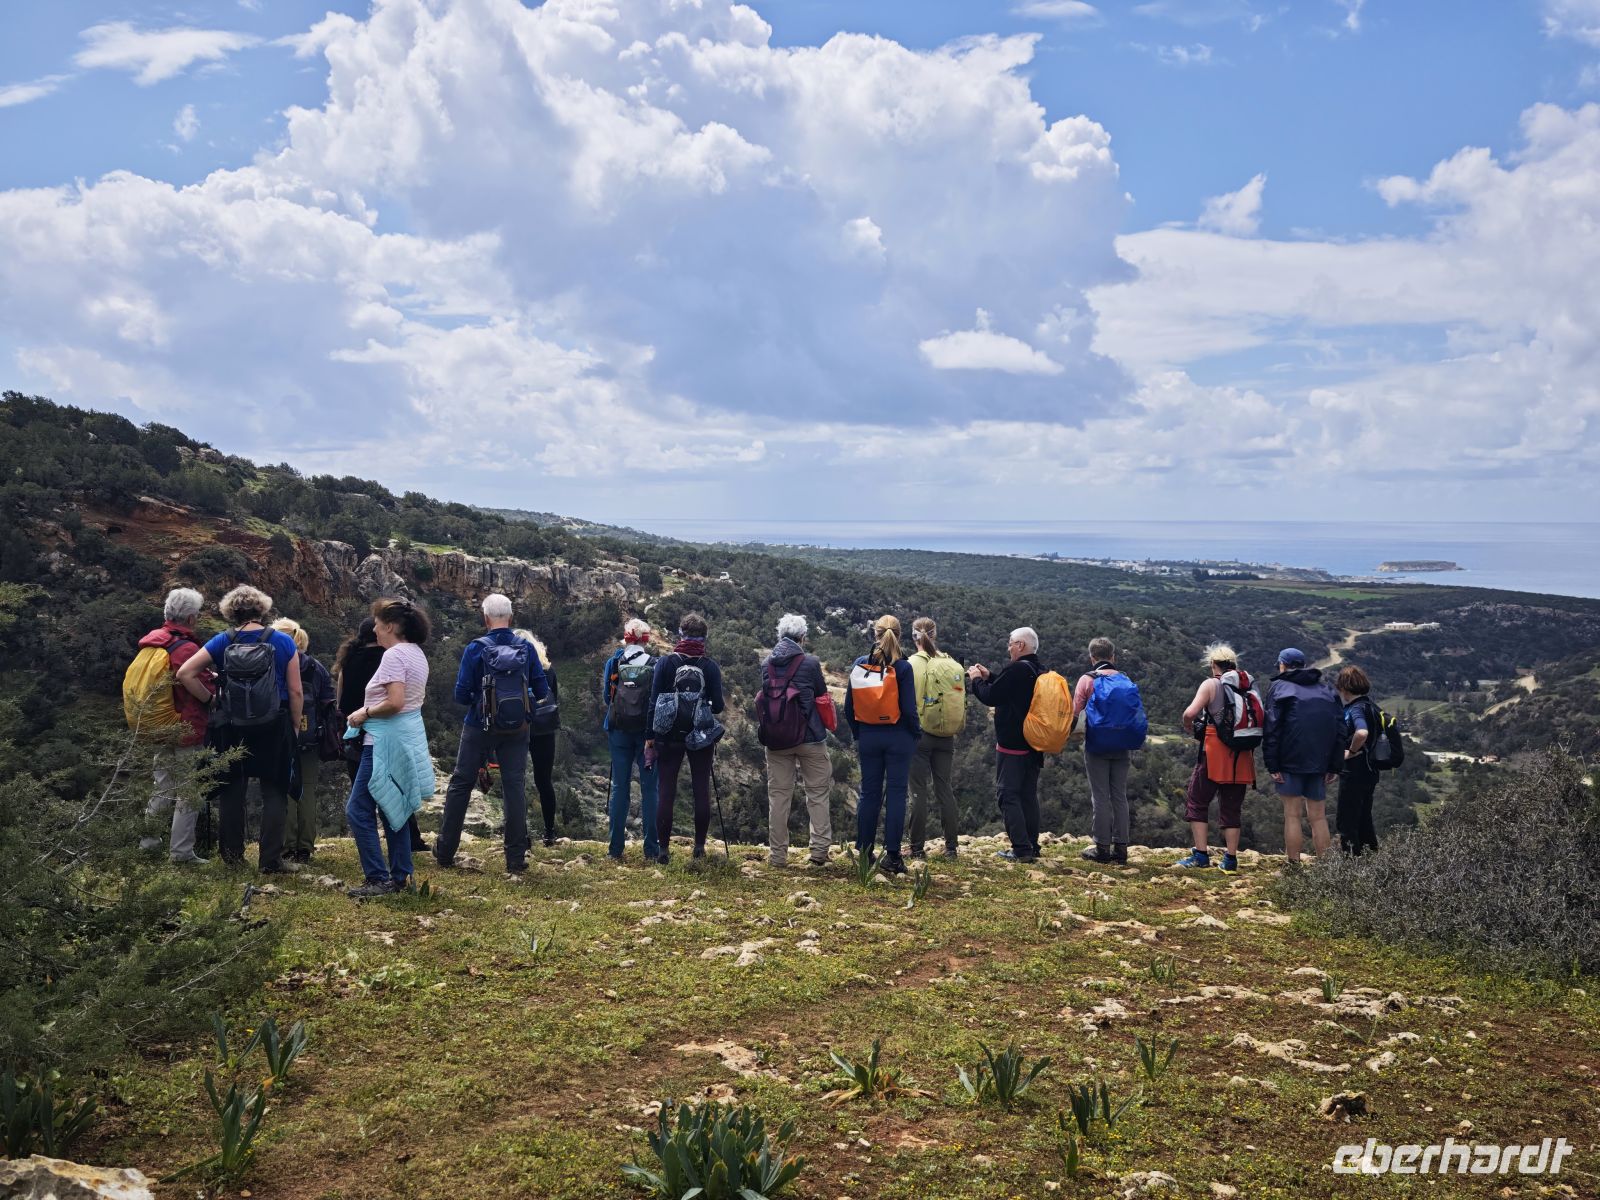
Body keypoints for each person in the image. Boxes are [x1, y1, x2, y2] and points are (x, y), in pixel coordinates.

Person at [175, 585, 301, 874]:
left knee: (231, 790)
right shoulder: (283, 642)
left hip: (232, 725)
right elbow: (295, 691)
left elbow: (185, 674)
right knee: (275, 791)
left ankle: (232, 858)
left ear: (230, 611)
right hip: (274, 723)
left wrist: (212, 699)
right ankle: (270, 861)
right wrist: (294, 725)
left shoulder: (222, 641)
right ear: (262, 609)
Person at [435, 593, 550, 874]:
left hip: (478, 725)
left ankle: (446, 851)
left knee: (461, 783)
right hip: (517, 729)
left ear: (485, 619)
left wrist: (484, 700)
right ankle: (515, 858)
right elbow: (543, 690)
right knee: (514, 788)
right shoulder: (525, 647)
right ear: (511, 618)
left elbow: (461, 694)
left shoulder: (475, 649)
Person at [344, 598, 434, 897]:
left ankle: (377, 878)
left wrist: (364, 713)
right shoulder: (417, 654)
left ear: (391, 626)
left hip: (383, 742)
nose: (376, 631)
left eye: (379, 626)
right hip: (406, 737)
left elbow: (394, 702)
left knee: (357, 810)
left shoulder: (394, 656)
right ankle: (400, 876)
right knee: (393, 806)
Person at [131, 587, 212, 864]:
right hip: (185, 726)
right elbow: (192, 679)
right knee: (188, 790)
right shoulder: (186, 648)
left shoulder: (154, 642)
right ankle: (181, 853)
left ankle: (148, 845)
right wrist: (210, 697)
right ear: (190, 618)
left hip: (160, 724)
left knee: (162, 787)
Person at [337, 617, 428, 852]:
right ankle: (410, 845)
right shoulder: (401, 656)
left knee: (361, 804)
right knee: (393, 794)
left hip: (362, 734)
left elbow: (341, 699)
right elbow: (400, 701)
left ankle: (376, 868)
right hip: (388, 733)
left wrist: (357, 718)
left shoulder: (351, 662)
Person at [844, 615, 920, 874]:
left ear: (874, 634)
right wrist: (914, 734)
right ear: (898, 636)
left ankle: (864, 851)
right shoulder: (904, 668)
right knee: (897, 794)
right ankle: (893, 856)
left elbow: (848, 707)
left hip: (869, 735)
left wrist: (859, 732)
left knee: (869, 793)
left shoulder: (860, 664)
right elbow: (909, 710)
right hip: (899, 737)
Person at [649, 612, 725, 863]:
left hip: (668, 735)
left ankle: (663, 850)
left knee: (666, 790)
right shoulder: (710, 666)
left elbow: (653, 701)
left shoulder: (665, 663)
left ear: (680, 634)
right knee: (701, 789)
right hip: (700, 735)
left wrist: (650, 736)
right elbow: (718, 707)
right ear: (704, 638)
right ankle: (699, 848)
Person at [760, 613, 834, 868]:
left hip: (777, 739)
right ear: (803, 637)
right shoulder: (810, 663)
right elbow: (821, 695)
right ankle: (819, 853)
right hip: (810, 737)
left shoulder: (766, 663)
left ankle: (778, 857)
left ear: (780, 636)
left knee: (779, 797)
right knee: (817, 793)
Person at [1177, 643, 1258, 871]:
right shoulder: (1248, 686)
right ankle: (1230, 859)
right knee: (1232, 808)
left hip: (1213, 753)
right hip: (1242, 754)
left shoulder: (1212, 684)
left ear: (1213, 664)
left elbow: (1190, 713)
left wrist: (1189, 727)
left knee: (1197, 801)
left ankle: (1201, 855)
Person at [1263, 647, 1345, 865]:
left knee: (1292, 815)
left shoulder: (1279, 687)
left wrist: (1272, 765)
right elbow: (1340, 729)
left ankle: (1294, 866)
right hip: (1321, 763)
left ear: (1282, 665)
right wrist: (1335, 766)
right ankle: (1327, 869)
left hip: (1290, 762)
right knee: (1318, 817)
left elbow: (1271, 729)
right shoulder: (1327, 689)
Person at [969, 627, 1044, 862]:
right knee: (1028, 796)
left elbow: (991, 697)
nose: (1008, 647)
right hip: (1034, 743)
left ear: (1020, 646)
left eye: (1011, 643)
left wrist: (975, 681)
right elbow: (1007, 690)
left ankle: (1021, 850)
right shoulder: (1038, 669)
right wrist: (990, 676)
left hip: (1013, 744)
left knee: (1007, 794)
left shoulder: (1016, 669)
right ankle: (1032, 845)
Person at [272, 618, 336, 865]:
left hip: (280, 734)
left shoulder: (275, 662)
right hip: (310, 738)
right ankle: (305, 847)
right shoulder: (314, 667)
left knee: (284, 789)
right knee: (307, 790)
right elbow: (328, 700)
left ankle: (287, 846)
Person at [600, 618, 661, 863]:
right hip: (648, 736)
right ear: (646, 640)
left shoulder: (614, 662)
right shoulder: (655, 664)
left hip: (619, 731)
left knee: (619, 787)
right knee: (649, 789)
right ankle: (651, 850)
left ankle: (615, 850)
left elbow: (608, 697)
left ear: (626, 638)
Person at [907, 617, 964, 860]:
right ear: (935, 635)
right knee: (944, 789)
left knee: (918, 791)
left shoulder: (912, 664)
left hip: (919, 734)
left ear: (913, 637)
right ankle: (951, 848)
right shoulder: (950, 662)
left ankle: (917, 849)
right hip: (946, 734)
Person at [1073, 637, 1131, 865]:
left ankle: (1102, 848)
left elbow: (1076, 712)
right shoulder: (1124, 679)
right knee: (1119, 795)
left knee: (1100, 796)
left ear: (1092, 658)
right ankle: (1122, 849)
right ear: (1113, 657)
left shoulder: (1087, 680)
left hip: (1097, 744)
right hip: (1123, 744)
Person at [515, 628, 561, 848]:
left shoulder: (511, 669)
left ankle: (520, 833)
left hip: (518, 728)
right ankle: (549, 833)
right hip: (544, 729)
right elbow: (554, 698)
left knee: (516, 781)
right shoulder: (548, 670)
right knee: (544, 782)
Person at [1335, 665, 1382, 856]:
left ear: (1344, 688)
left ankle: (1351, 868)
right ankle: (1371, 862)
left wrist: (1351, 751)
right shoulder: (1372, 706)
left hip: (1354, 771)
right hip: (1371, 770)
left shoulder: (1355, 709)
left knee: (1346, 822)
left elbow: (1362, 732)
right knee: (1364, 818)